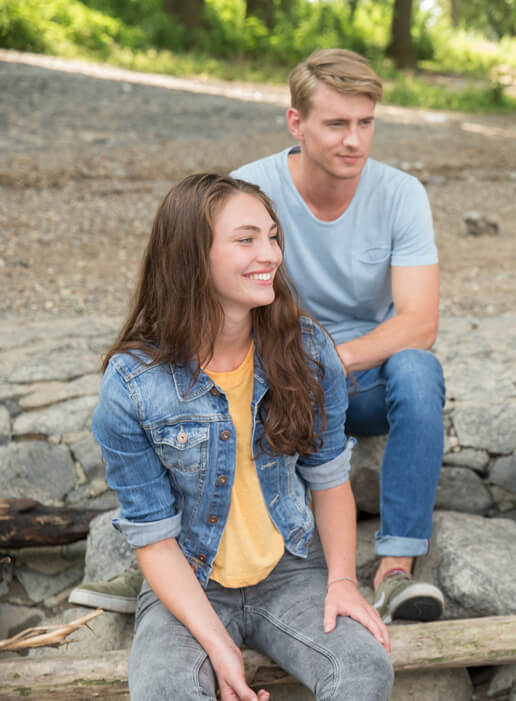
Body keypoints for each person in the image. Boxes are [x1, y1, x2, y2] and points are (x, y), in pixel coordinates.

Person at [92, 173, 393, 701]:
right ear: (191, 257)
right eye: (247, 239)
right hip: (190, 582)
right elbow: (154, 538)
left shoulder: (307, 350)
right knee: (164, 690)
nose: (271, 254)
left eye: (273, 236)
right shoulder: (133, 386)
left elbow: (328, 482)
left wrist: (343, 581)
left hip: (292, 572)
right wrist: (217, 644)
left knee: (364, 669)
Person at [232, 49, 445, 623]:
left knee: (419, 370)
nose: (354, 140)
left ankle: (396, 570)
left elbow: (419, 322)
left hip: (361, 374)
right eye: (336, 124)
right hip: (278, 377)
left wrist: (332, 359)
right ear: (296, 123)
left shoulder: (401, 194)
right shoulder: (249, 191)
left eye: (365, 123)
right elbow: (223, 306)